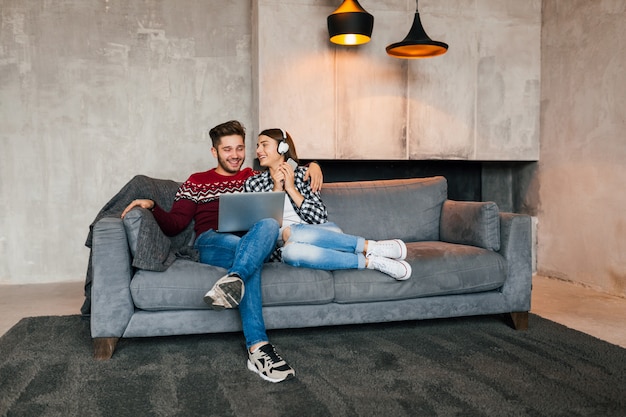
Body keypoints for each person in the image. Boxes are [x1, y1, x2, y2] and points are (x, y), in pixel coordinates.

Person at [120, 120, 323, 383]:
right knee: (245, 251)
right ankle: (259, 347)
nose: (236, 155)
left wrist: (314, 166)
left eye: (240, 148)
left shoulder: (253, 177)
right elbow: (175, 224)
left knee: (270, 223)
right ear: (215, 152)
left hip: (252, 240)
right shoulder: (197, 181)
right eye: (228, 149)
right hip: (212, 241)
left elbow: (284, 169)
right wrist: (152, 206)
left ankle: (234, 280)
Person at [245, 128, 412, 280]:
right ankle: (371, 261)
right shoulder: (253, 183)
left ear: (282, 148)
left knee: (290, 233)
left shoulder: (304, 174)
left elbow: (320, 217)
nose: (258, 150)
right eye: (258, 145)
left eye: (264, 145)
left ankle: (368, 246)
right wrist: (277, 188)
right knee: (291, 252)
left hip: (324, 234)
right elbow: (261, 229)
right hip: (284, 247)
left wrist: (291, 188)